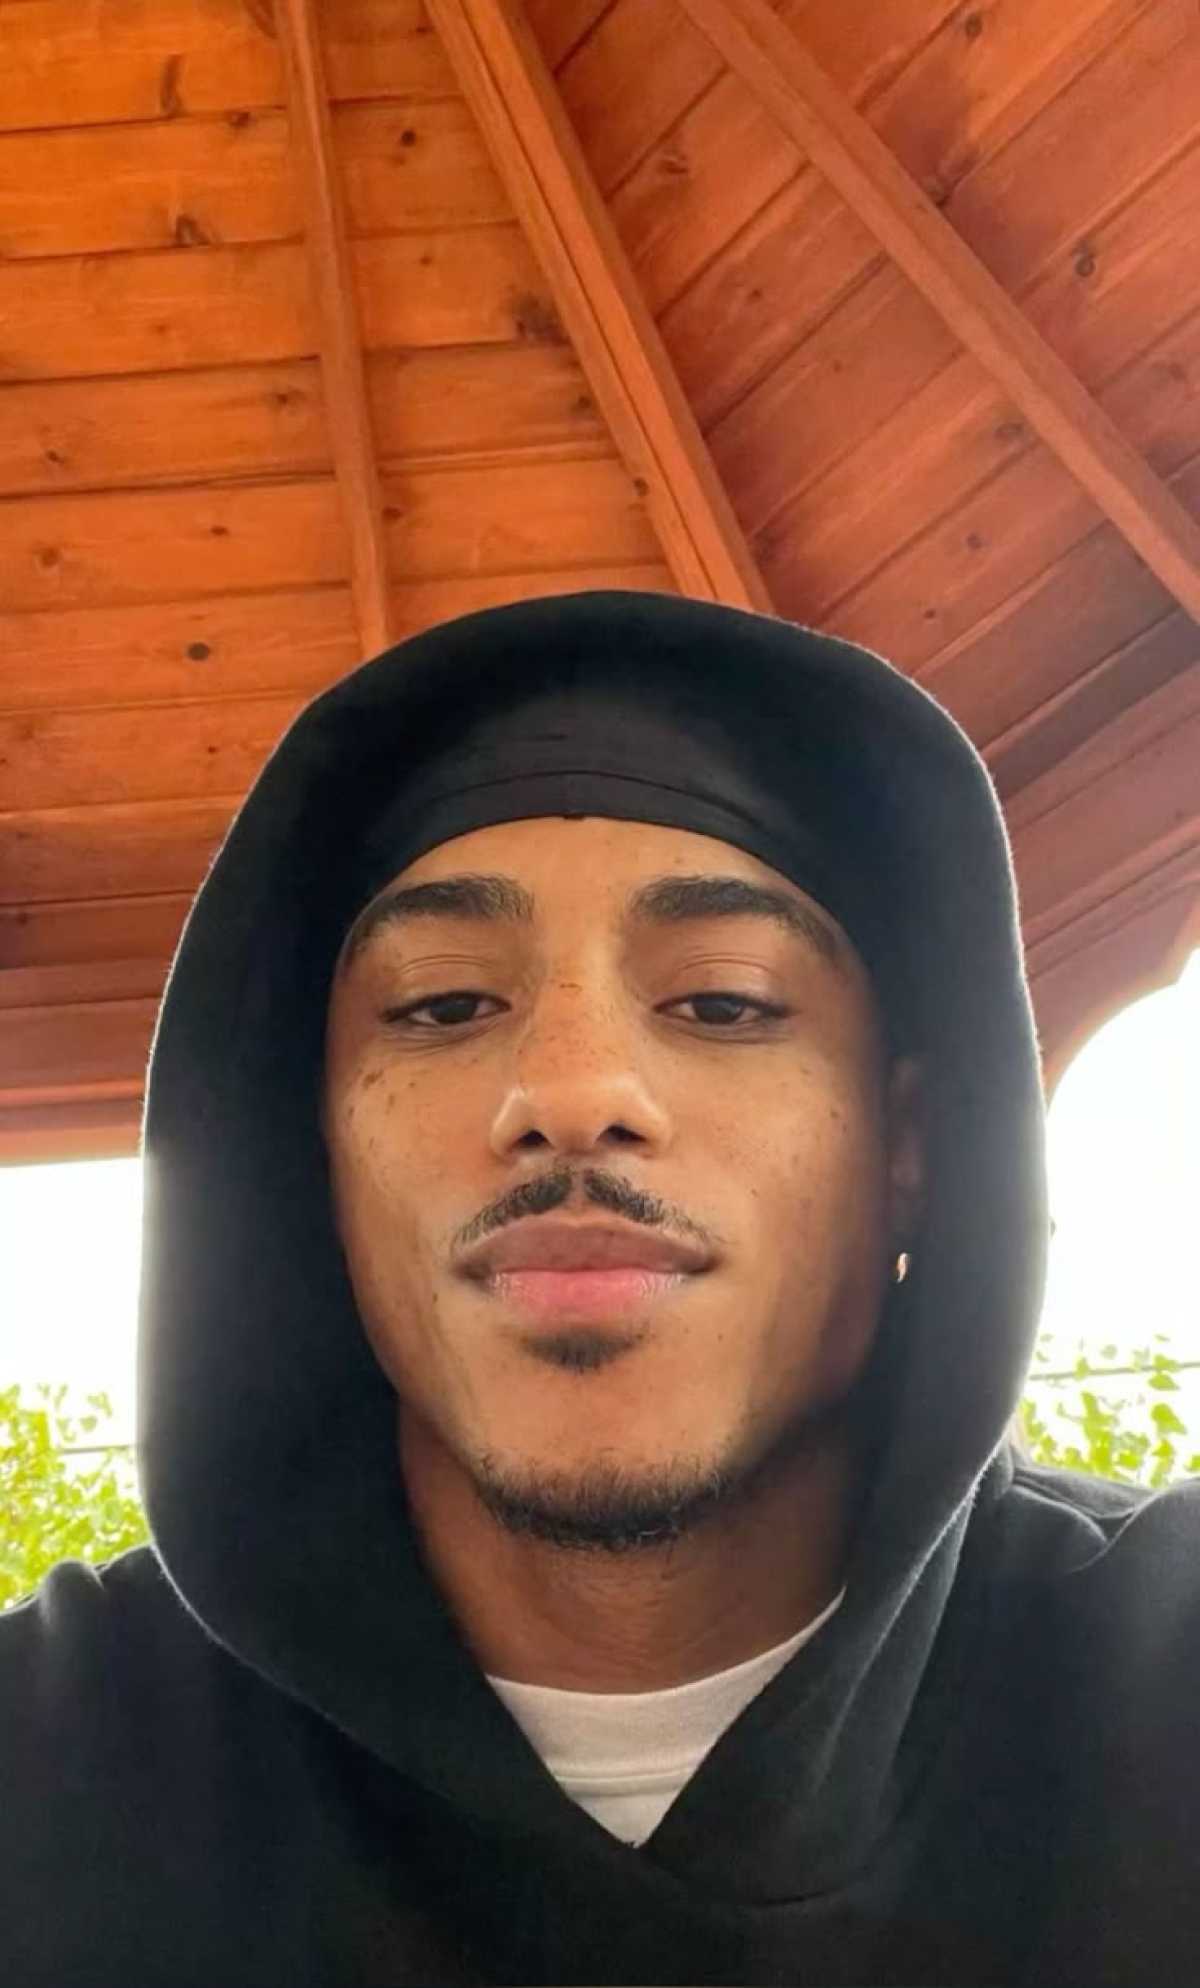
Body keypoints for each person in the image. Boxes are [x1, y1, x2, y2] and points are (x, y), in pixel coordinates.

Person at [2, 590, 1197, 1987]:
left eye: (724, 1002)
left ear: (912, 1152)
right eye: (445, 1005)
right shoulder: (47, 1768)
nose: (569, 1092)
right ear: (304, 1157)